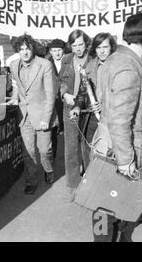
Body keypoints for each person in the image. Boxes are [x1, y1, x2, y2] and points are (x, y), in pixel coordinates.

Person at [91, 12, 142, 242]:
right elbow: (120, 120)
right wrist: (126, 159)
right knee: (110, 205)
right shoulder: (129, 66)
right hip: (120, 147)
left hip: (109, 143)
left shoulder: (115, 58)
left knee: (103, 203)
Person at [7, 34, 57, 194]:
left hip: (43, 114)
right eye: (21, 49)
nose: (25, 52)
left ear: (32, 49)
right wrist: (14, 99)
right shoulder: (14, 65)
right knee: (28, 151)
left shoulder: (45, 65)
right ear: (17, 51)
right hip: (24, 115)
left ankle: (48, 169)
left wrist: (46, 119)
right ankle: (31, 181)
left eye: (27, 49)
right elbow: (17, 86)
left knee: (44, 151)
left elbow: (50, 95)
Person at [70, 33, 117, 171]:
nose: (102, 51)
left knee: (108, 154)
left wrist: (105, 104)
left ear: (111, 47)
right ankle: (89, 181)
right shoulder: (90, 66)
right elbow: (82, 92)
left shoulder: (118, 66)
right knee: (90, 152)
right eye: (98, 47)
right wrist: (77, 107)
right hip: (91, 119)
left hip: (111, 119)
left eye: (105, 47)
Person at [59, 29, 92, 200]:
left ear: (86, 44)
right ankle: (73, 184)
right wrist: (65, 94)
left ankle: (91, 182)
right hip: (70, 108)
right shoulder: (66, 60)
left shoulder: (93, 59)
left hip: (90, 110)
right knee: (71, 147)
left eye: (80, 44)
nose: (77, 48)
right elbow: (62, 82)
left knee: (88, 147)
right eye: (74, 45)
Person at [45, 39, 66, 160]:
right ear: (50, 51)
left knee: (68, 129)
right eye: (54, 50)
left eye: (59, 50)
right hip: (53, 99)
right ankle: (52, 156)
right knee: (52, 130)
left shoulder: (68, 61)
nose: (57, 53)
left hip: (66, 99)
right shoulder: (47, 62)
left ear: (63, 50)